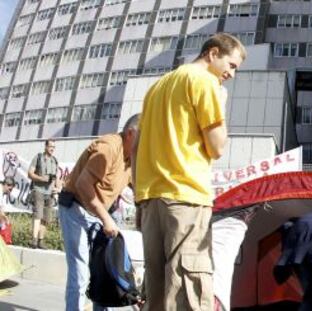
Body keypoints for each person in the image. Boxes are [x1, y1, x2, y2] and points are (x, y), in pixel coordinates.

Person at [132, 33, 246, 310]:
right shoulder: (205, 82)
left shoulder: (157, 87)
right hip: (186, 198)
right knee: (189, 291)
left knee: (156, 293)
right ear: (213, 53)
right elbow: (217, 146)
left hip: (151, 198)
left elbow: (135, 147)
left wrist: (138, 196)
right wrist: (221, 100)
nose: (231, 74)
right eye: (231, 65)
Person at [58, 114, 139, 311]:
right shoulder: (109, 148)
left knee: (103, 274)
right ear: (131, 133)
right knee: (80, 273)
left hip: (98, 216)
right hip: (75, 209)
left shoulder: (132, 160)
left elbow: (141, 192)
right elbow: (83, 184)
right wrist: (106, 219)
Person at [28, 139, 59, 249]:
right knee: (38, 215)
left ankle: (41, 241)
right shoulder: (38, 157)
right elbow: (30, 173)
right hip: (39, 190)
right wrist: (42, 178)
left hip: (50, 193)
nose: (52, 149)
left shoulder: (54, 160)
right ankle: (34, 240)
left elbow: (56, 177)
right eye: (50, 146)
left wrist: (57, 187)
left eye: (54, 147)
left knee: (46, 218)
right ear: (45, 146)